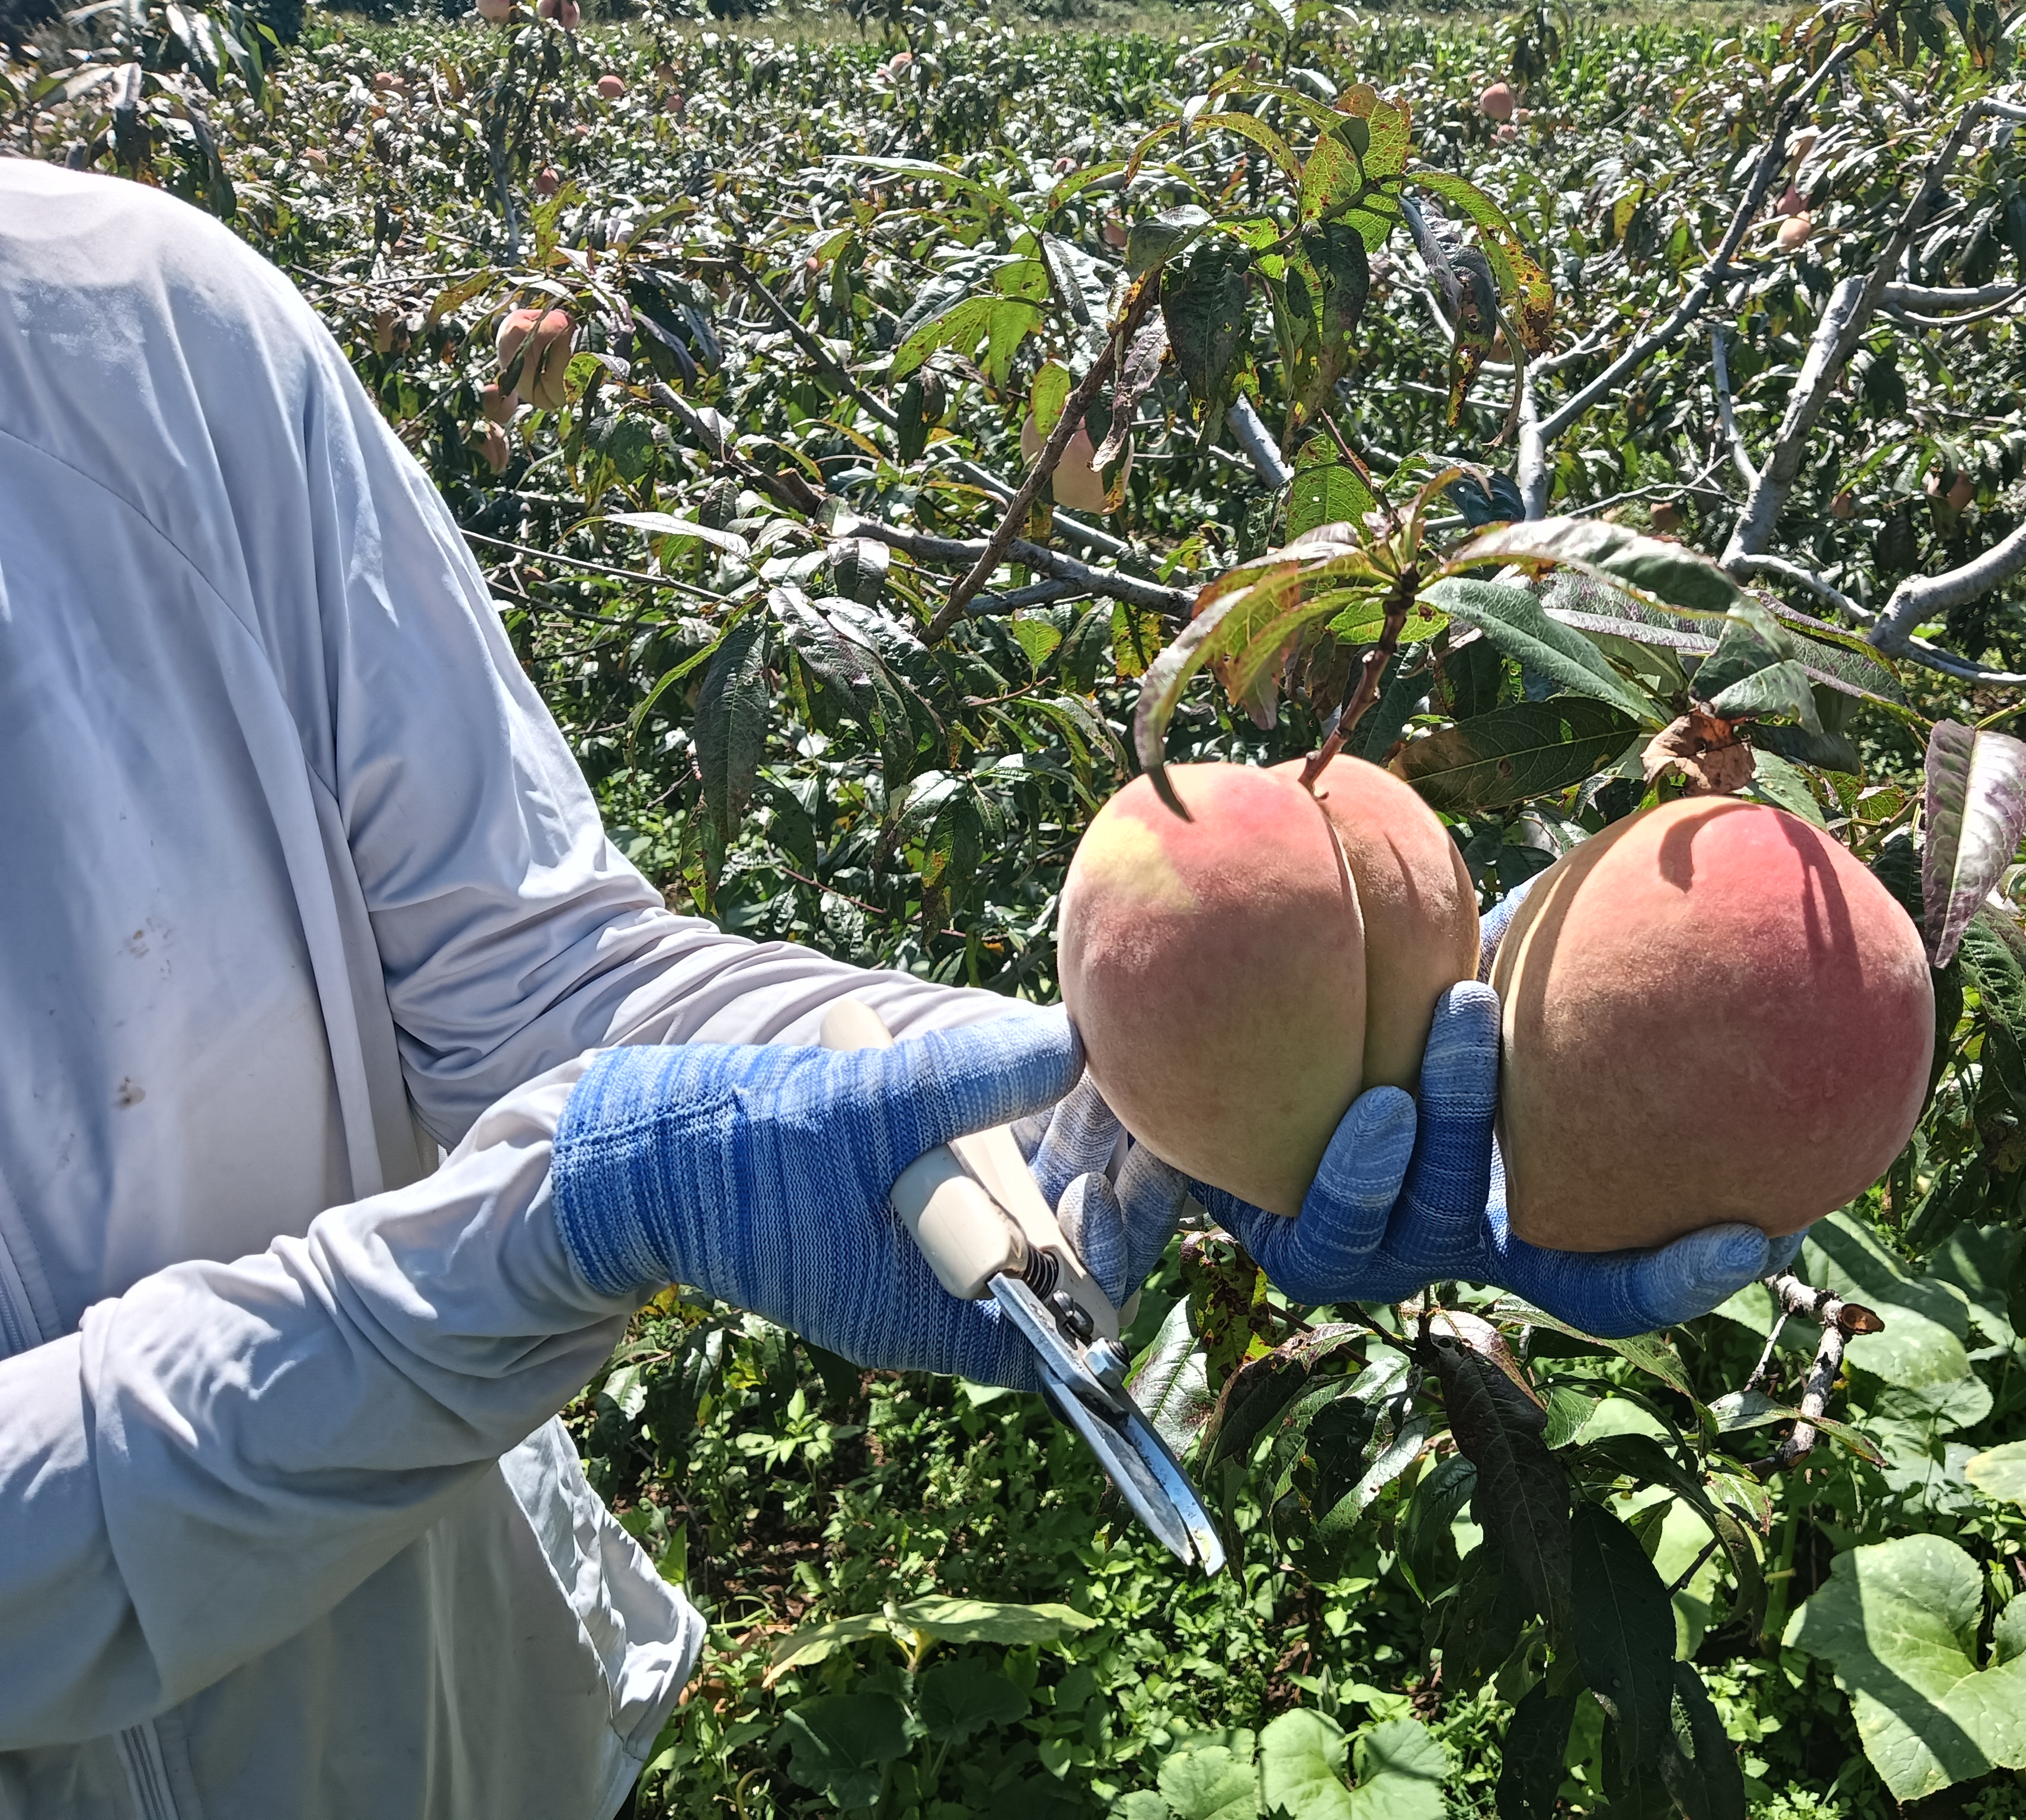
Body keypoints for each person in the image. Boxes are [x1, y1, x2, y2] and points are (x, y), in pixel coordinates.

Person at [0, 161, 1790, 1819]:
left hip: (469, 1739)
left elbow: (520, 968)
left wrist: (1106, 1100)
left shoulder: (126, 326)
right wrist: (554, 1233)